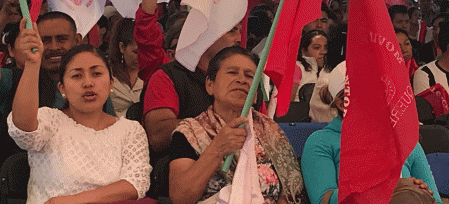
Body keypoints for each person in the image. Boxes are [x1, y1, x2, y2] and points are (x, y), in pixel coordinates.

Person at [7, 22, 151, 204]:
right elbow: (23, 129)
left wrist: (73, 201)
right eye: (76, 76)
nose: (88, 83)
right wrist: (32, 64)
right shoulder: (49, 120)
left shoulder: (130, 130)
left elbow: (136, 183)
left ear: (111, 84)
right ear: (62, 88)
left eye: (96, 74)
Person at [168, 46, 306, 204]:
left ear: (255, 95)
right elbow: (180, 197)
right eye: (232, 72)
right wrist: (218, 148)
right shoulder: (189, 132)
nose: (242, 80)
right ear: (210, 85)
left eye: (249, 76)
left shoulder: (271, 130)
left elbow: (290, 192)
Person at [301, 67, 441, 204]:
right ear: (342, 103)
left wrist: (420, 192)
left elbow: (436, 200)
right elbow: (322, 200)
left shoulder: (405, 141)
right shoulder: (320, 142)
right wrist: (382, 187)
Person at [143, 21, 241, 153]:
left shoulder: (245, 80)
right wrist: (215, 127)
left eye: (240, 31)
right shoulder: (168, 76)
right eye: (232, 30)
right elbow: (157, 135)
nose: (239, 39)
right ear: (206, 34)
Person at [108, 18, 142, 118]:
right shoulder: (107, 76)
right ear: (122, 47)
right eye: (135, 52)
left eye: (144, 52)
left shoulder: (151, 74)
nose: (139, 57)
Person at [293, 29, 329, 102]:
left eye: (326, 47)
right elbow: (287, 104)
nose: (323, 52)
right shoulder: (297, 68)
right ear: (304, 51)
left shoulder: (332, 70)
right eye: (316, 48)